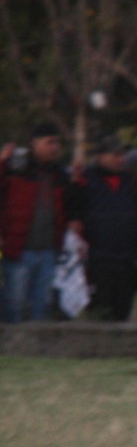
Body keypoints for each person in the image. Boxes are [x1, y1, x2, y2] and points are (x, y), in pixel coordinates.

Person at [71, 136, 137, 321]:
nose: (120, 159)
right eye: (115, 155)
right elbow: (73, 207)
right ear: (101, 156)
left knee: (122, 309)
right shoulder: (86, 179)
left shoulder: (131, 181)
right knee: (101, 310)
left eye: (122, 155)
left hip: (126, 258)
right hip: (98, 258)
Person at [0, 123, 75, 322]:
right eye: (49, 142)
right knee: (14, 304)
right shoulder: (15, 168)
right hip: (19, 247)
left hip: (49, 249)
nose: (55, 147)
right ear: (34, 144)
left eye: (57, 142)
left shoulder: (59, 174)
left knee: (41, 304)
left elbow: (70, 205)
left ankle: (34, 347)